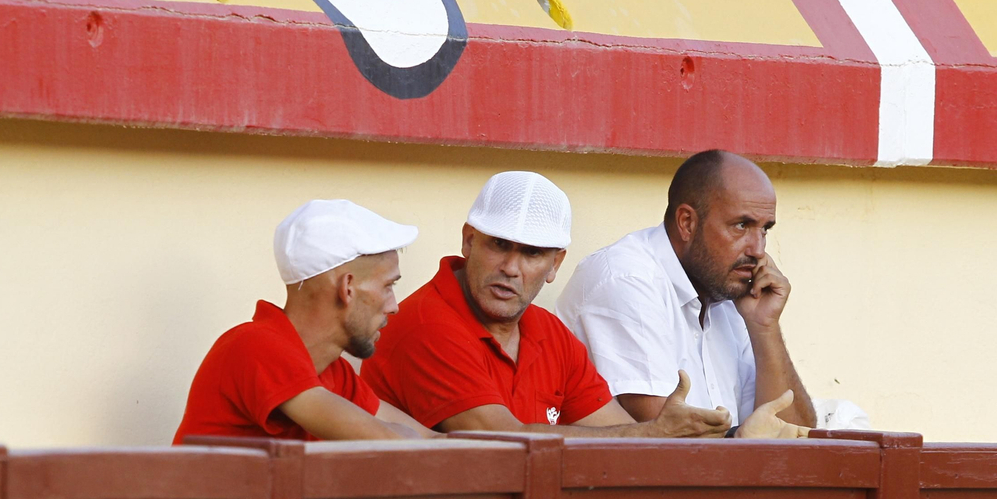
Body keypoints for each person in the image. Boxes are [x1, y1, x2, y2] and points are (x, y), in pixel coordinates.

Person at [361, 171, 807, 437]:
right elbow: (505, 443)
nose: (511, 268)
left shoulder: (547, 332)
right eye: (499, 245)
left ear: (555, 265)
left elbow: (615, 434)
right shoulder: (429, 323)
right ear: (468, 242)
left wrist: (724, 438)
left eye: (532, 253)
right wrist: (654, 436)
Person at [558, 150, 869, 433]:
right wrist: (746, 439)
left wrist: (765, 327)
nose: (758, 249)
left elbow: (795, 435)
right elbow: (667, 440)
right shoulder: (627, 279)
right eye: (741, 226)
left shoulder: (728, 290)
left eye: (764, 229)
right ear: (687, 223)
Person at [173, 199, 436, 443]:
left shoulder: (334, 373)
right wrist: (408, 436)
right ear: (347, 288)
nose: (394, 307)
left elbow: (428, 440)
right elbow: (388, 442)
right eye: (388, 286)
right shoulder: (256, 346)